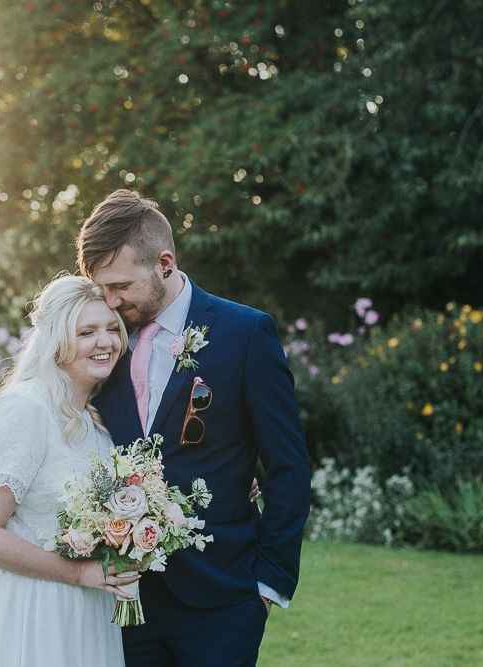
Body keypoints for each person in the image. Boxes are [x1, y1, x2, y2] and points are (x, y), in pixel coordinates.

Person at [76, 189, 311, 666]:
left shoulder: (245, 334)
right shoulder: (103, 340)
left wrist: (267, 585)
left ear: (164, 262)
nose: (111, 301)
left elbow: (288, 466)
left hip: (223, 598)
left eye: (121, 286)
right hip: (125, 598)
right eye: (102, 288)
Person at [0, 275, 139, 666]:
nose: (106, 342)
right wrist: (79, 574)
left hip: (82, 613)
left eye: (112, 329)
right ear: (57, 340)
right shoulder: (27, 408)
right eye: (87, 332)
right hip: (28, 611)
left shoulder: (94, 424)